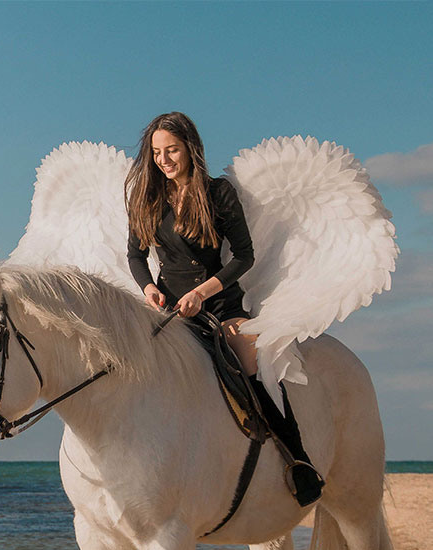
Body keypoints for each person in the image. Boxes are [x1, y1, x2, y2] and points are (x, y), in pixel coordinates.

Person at [124, 111, 323, 505]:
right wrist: (148, 288)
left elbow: (244, 256)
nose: (164, 160)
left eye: (172, 151)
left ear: (190, 149)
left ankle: (298, 461)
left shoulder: (218, 193)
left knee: (254, 373)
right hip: (169, 309)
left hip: (219, 304)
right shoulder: (146, 198)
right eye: (158, 152)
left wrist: (202, 293)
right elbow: (135, 255)